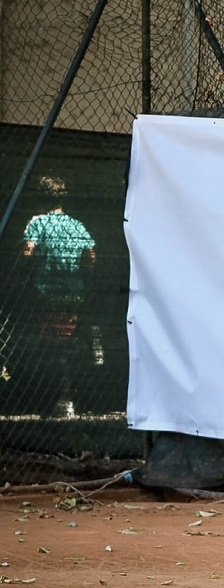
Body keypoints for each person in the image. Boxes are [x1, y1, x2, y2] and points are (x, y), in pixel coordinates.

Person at [21, 177, 97, 417]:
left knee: (50, 347)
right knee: (65, 344)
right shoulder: (77, 225)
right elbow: (92, 255)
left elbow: (28, 252)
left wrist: (28, 267)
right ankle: (66, 398)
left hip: (46, 293)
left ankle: (58, 399)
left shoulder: (37, 222)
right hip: (74, 294)